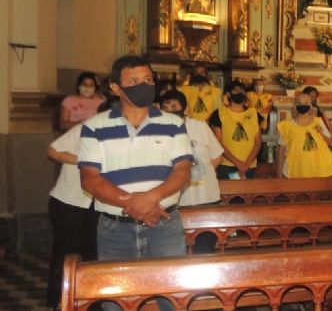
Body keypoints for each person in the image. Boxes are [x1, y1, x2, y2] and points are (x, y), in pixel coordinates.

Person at [78, 56, 192, 309]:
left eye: (148, 79)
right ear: (116, 87)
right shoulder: (94, 127)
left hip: (164, 224)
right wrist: (134, 205)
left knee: (173, 300)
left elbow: (182, 172)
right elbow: (89, 178)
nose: (144, 85)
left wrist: (150, 199)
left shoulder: (173, 123)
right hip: (115, 230)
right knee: (117, 302)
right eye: (134, 81)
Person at [159, 90, 223, 253]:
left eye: (174, 106)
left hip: (206, 199)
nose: (170, 110)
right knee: (176, 251)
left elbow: (216, 156)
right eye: (165, 107)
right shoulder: (158, 132)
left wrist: (200, 174)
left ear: (185, 109)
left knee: (204, 250)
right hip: (176, 204)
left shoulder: (200, 127)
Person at [45, 119, 99, 309]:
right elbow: (52, 150)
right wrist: (82, 161)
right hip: (69, 201)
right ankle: (58, 300)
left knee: (93, 254)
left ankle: (91, 301)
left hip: (98, 204)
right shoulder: (84, 129)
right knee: (65, 253)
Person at [209, 81, 262, 179]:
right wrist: (239, 164)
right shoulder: (219, 113)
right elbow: (218, 143)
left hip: (249, 166)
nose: (240, 93)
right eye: (236, 91)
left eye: (242, 91)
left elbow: (258, 143)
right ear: (228, 94)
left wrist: (246, 164)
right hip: (226, 166)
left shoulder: (254, 113)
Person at [276, 93, 332, 178]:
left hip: (319, 170)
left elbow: (330, 142)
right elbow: (281, 152)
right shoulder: (287, 126)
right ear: (295, 106)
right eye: (299, 103)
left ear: (311, 106)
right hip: (296, 169)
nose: (303, 105)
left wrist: (321, 133)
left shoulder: (318, 122)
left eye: (306, 103)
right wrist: (279, 174)